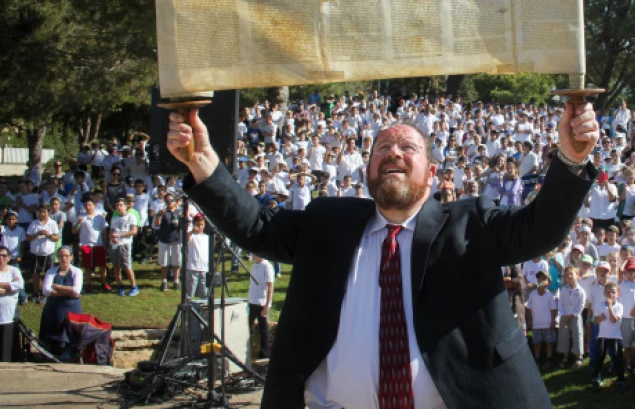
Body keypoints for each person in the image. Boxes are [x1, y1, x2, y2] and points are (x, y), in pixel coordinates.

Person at [167, 100, 600, 408]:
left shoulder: (471, 224)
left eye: (408, 147)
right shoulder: (327, 222)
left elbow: (540, 228)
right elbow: (256, 225)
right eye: (382, 148)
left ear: (432, 174)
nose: (394, 151)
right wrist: (203, 160)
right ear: (367, 171)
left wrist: (570, 160)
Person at [39, 246, 83, 354]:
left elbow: (76, 289)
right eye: (61, 256)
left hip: (72, 311)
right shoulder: (51, 272)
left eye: (66, 256)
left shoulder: (77, 272)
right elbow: (46, 290)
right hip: (54, 310)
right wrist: (69, 292)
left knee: (71, 338)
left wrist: (57, 287)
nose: (64, 258)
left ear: (71, 257)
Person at [590, 281, 626, 393]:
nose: (610, 294)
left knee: (617, 358)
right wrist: (600, 318)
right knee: (599, 358)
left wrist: (610, 306)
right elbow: (595, 321)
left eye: (613, 292)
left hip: (615, 337)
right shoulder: (599, 305)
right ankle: (596, 378)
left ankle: (621, 379)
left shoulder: (619, 306)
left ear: (618, 294)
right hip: (603, 336)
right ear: (604, 293)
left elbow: (614, 319)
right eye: (608, 292)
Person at [26, 205, 59, 303]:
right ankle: (36, 293)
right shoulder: (34, 223)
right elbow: (28, 238)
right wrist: (37, 234)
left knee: (48, 274)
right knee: (35, 274)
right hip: (35, 253)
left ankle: (46, 293)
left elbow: (56, 238)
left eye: (44, 212)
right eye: (40, 212)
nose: (42, 214)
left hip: (48, 253)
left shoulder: (52, 223)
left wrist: (48, 235)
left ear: (49, 212)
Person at [526, 270, 557, 369]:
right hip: (536, 324)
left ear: (548, 283)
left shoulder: (550, 296)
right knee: (537, 343)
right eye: (539, 279)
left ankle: (549, 359)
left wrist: (552, 322)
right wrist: (530, 321)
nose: (540, 281)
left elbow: (553, 310)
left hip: (547, 323)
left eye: (544, 279)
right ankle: (537, 359)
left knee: (549, 342)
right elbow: (529, 308)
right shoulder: (532, 294)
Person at [108, 198, 139, 297]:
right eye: (117, 205)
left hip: (125, 244)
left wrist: (119, 235)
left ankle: (134, 286)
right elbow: (111, 231)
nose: (119, 207)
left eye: (121, 205)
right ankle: (120, 285)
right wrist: (112, 238)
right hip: (114, 244)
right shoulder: (114, 218)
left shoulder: (131, 217)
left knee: (127, 266)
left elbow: (134, 231)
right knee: (116, 265)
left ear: (126, 206)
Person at [557, 266, 586, 369]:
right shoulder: (564, 290)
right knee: (563, 334)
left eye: (571, 274)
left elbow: (581, 305)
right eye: (566, 275)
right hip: (565, 315)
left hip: (575, 316)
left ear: (577, 275)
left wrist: (574, 314)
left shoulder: (581, 291)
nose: (569, 277)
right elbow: (560, 303)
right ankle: (565, 354)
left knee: (577, 334)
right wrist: (563, 313)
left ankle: (579, 355)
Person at [249, 252, 275, 360]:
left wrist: (267, 305)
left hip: (261, 302)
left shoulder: (267, 267)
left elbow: (270, 287)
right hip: (252, 301)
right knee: (248, 327)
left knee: (263, 329)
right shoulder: (254, 266)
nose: (253, 256)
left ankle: (264, 354)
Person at [0, 245, 24, 361]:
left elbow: (19, 285)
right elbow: (14, 285)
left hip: (9, 318)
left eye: (4, 256)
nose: (1, 258)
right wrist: (10, 285)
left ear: (9, 258)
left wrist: (3, 287)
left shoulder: (14, 270)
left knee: (6, 353)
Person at [154, 193, 182, 291]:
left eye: (171, 200)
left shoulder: (179, 212)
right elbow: (156, 224)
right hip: (164, 240)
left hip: (176, 240)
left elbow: (184, 225)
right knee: (164, 263)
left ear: (175, 201)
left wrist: (179, 222)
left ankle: (176, 281)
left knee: (176, 263)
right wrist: (159, 215)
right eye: (167, 201)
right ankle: (164, 282)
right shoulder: (163, 212)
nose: (169, 202)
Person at [186, 214, 209, 300]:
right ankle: (188, 305)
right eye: (198, 225)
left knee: (204, 292)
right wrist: (192, 231)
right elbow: (186, 237)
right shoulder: (192, 236)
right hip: (193, 267)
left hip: (204, 267)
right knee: (190, 291)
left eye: (202, 224)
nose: (200, 227)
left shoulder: (207, 237)